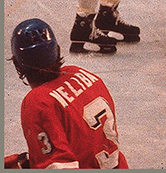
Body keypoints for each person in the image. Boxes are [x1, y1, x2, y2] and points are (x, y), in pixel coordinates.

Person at [6, 18, 128, 168]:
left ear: (17, 65)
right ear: (56, 51)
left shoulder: (38, 101)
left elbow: (58, 166)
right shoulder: (82, 74)